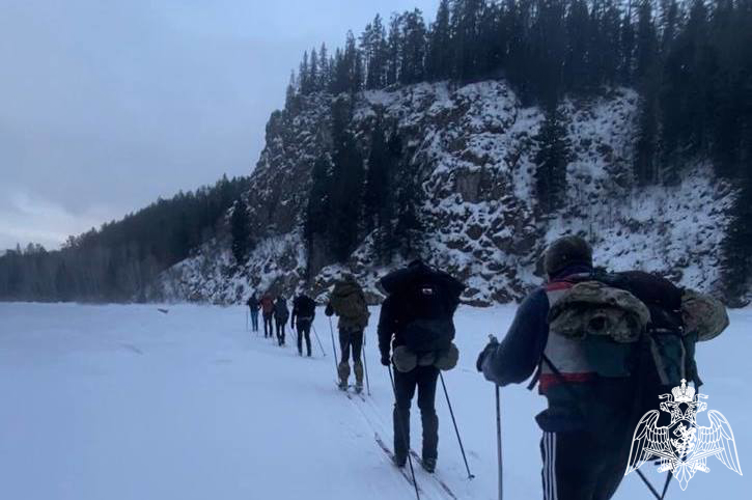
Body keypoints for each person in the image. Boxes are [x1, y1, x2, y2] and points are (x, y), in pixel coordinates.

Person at [475, 235, 701, 500]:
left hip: (571, 432)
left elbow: (509, 369)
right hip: (622, 433)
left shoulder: (545, 299)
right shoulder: (623, 297)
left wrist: (487, 361)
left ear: (551, 267)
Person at [378, 260, 464, 474]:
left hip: (405, 356)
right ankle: (430, 456)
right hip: (433, 357)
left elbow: (385, 326)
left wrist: (384, 353)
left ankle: (400, 454)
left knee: (402, 405)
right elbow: (448, 321)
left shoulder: (399, 291)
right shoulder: (441, 290)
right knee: (428, 408)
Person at [325, 275, 370, 392]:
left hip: (344, 328)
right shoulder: (358, 290)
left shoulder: (338, 291)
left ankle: (344, 381)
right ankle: (359, 382)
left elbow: (328, 312)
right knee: (357, 357)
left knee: (344, 356)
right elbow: (365, 308)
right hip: (357, 329)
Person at [292, 292, 317, 357]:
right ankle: (309, 352)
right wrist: (311, 320)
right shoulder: (309, 301)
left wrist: (292, 322)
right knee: (307, 336)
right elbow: (313, 313)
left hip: (299, 320)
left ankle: (300, 351)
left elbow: (293, 313)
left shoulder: (298, 301)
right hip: (307, 320)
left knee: (299, 337)